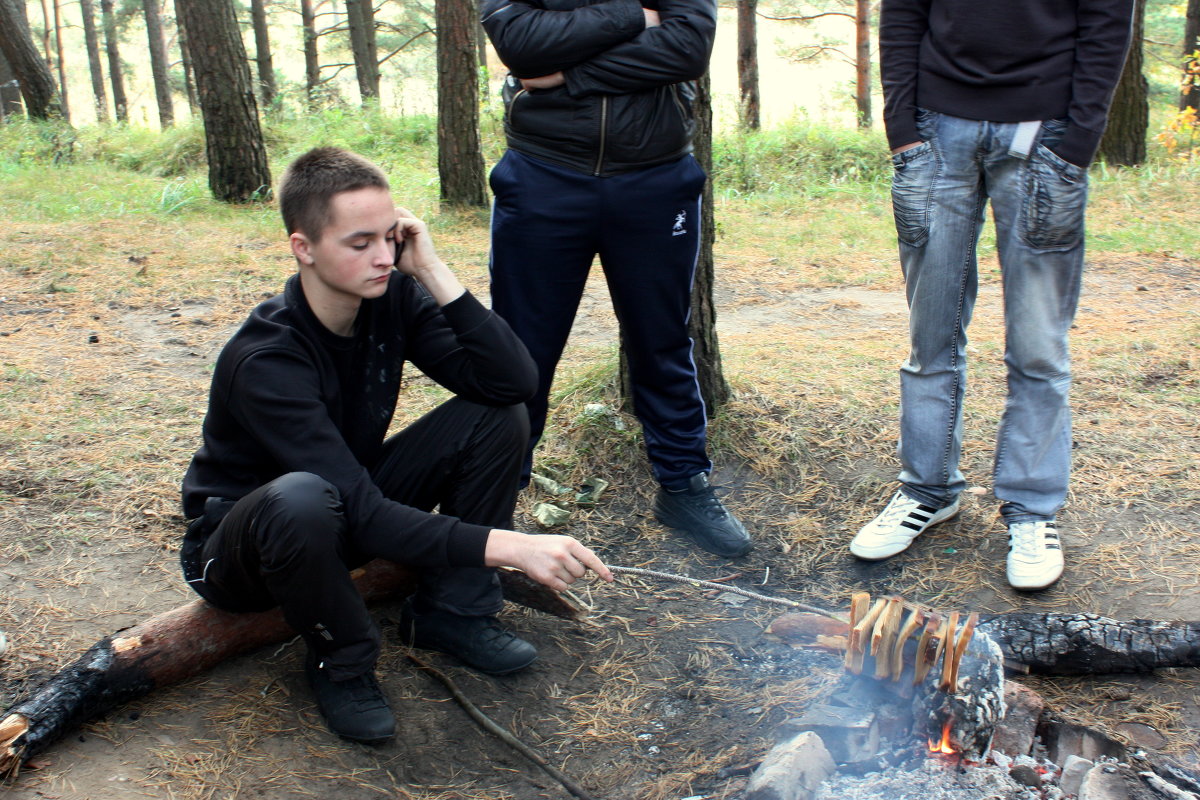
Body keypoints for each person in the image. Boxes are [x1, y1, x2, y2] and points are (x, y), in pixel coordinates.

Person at [179, 147, 612, 744]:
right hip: (245, 548)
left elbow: (512, 383)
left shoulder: (392, 299)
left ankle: (452, 613)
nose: (384, 258)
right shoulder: (266, 359)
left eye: (390, 237)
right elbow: (354, 507)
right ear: (303, 247)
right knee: (302, 498)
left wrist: (432, 272)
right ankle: (343, 661)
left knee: (498, 415)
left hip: (341, 503)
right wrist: (508, 546)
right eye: (360, 244)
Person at [851, 0, 1134, 590]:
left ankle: (1031, 510)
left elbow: (1107, 24)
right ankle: (928, 489)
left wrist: (1079, 138)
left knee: (1038, 347)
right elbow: (902, 13)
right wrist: (901, 130)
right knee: (931, 337)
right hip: (934, 132)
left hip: (1046, 134)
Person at [481, 0, 751, 560]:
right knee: (519, 350)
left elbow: (688, 47)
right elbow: (522, 44)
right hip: (542, 172)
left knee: (663, 340)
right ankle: (494, 499)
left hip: (654, 177)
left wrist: (568, 75)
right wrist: (638, 16)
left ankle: (682, 485)